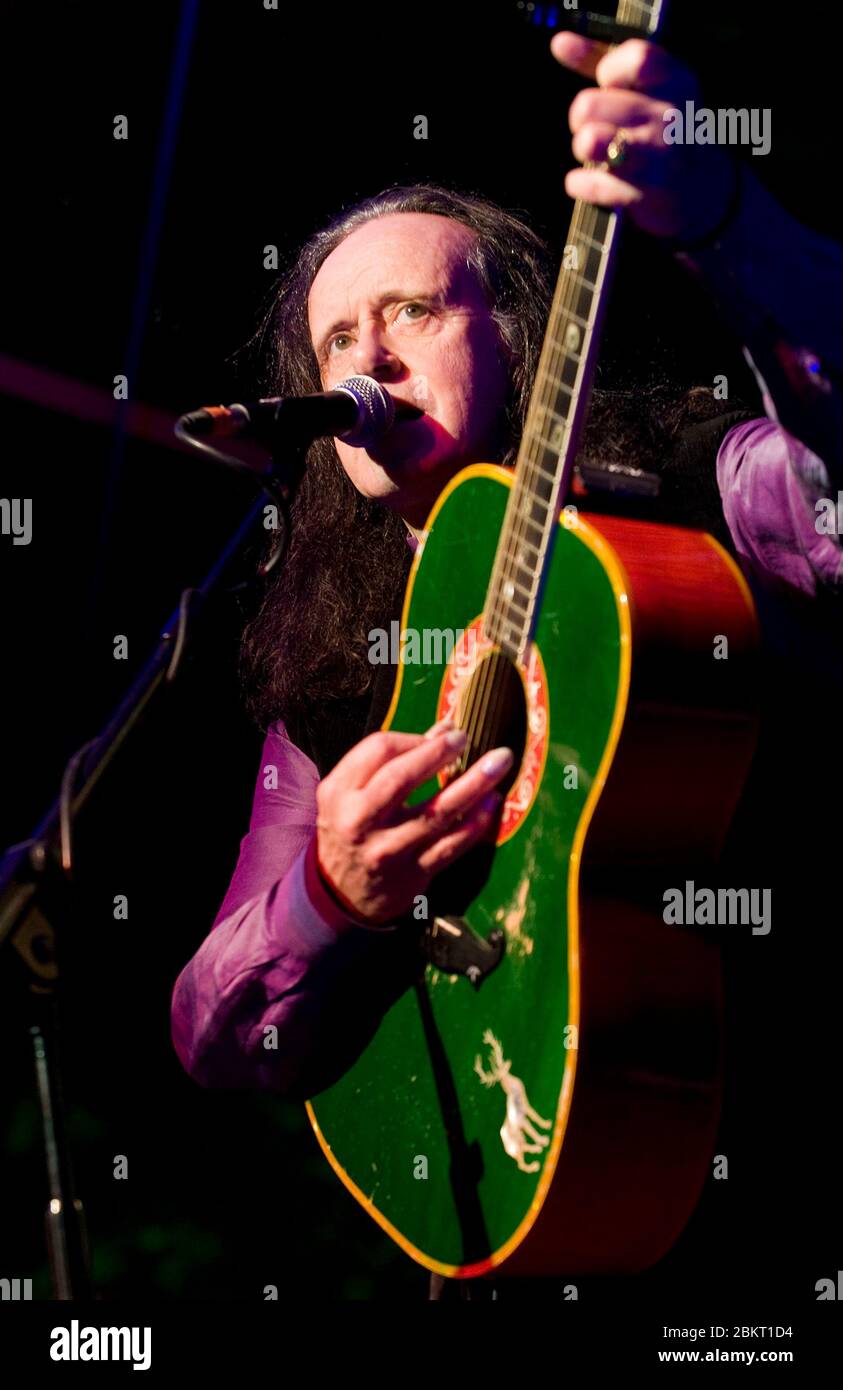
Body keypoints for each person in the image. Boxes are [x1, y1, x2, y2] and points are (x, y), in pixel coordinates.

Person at [171, 33, 843, 1301]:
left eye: (411, 312)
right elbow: (215, 1031)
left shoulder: (689, 485)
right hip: (513, 1226)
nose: (365, 360)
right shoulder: (335, 668)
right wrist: (331, 894)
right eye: (333, 342)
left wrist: (728, 222)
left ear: (521, 329)